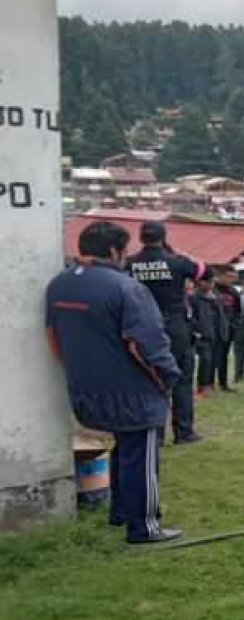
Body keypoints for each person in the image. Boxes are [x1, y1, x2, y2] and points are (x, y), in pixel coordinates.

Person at [46, 221, 182, 544]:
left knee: (124, 449)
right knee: (142, 454)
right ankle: (144, 527)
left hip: (87, 390)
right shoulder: (126, 288)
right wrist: (167, 379)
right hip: (133, 391)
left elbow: (53, 340)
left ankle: (120, 511)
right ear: (113, 251)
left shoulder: (58, 285)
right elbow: (146, 345)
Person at [126, 221, 204, 444]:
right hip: (175, 325)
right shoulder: (176, 262)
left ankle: (155, 432)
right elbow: (204, 271)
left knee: (148, 378)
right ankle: (184, 431)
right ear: (163, 237)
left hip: (142, 326)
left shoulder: (130, 263)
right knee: (181, 378)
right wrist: (176, 253)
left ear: (140, 238)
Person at [191, 269, 230, 398]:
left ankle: (209, 385)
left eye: (212, 282)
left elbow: (222, 315)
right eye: (208, 282)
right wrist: (198, 330)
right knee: (205, 360)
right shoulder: (195, 298)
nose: (211, 284)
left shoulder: (217, 297)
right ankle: (202, 386)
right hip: (204, 335)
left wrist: (224, 330)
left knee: (215, 361)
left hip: (218, 333)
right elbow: (193, 317)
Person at [213, 267, 242, 392]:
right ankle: (207, 383)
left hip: (228, 328)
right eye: (229, 276)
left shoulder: (233, 292)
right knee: (211, 357)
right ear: (221, 275)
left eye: (234, 277)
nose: (232, 280)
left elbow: (238, 311)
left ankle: (223, 383)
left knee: (224, 357)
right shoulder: (213, 290)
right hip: (214, 328)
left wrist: (234, 325)